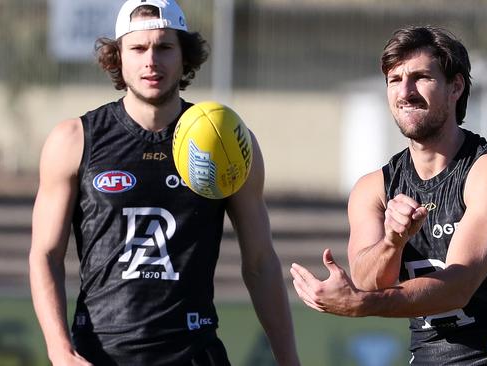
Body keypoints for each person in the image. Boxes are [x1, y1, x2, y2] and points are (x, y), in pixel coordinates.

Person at [29, 1, 300, 365]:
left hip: (192, 351)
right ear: (117, 56)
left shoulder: (227, 140)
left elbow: (261, 262)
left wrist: (288, 360)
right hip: (99, 354)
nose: (151, 60)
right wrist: (60, 351)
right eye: (138, 48)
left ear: (184, 55)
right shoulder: (74, 139)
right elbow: (45, 254)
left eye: (164, 47)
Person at [290, 25, 487, 365]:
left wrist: (360, 305)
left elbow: (459, 284)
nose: (405, 91)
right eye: (394, 80)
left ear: (455, 86)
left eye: (421, 77)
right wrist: (392, 242)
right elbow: (369, 281)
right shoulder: (373, 188)